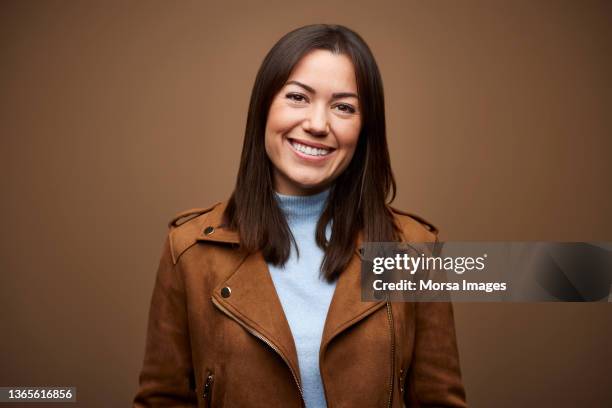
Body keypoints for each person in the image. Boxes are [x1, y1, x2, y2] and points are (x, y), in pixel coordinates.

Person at [133, 23, 467, 407]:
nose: (318, 124)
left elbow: (440, 400)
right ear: (263, 108)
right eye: (297, 97)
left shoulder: (415, 252)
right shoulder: (188, 251)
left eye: (343, 107)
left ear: (364, 128)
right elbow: (162, 400)